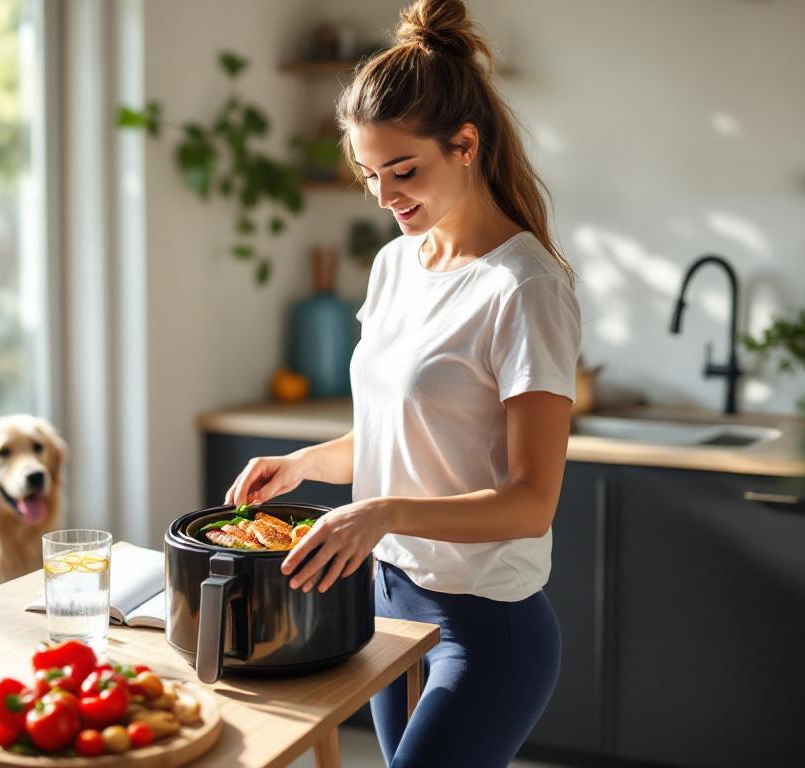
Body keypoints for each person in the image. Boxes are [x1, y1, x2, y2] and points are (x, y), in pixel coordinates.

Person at [222, 0, 582, 764]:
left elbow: (531, 502)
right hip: (385, 604)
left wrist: (380, 514)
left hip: (484, 627)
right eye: (368, 174)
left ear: (465, 145)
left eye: (403, 170)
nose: (385, 196)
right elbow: (400, 439)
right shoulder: (393, 265)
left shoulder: (524, 287)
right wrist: (303, 465)